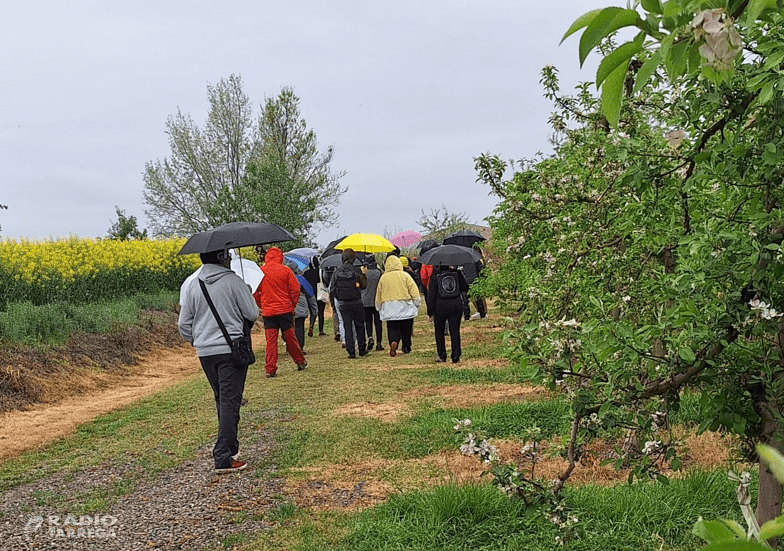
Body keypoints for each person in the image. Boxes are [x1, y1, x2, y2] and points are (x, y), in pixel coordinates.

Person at [178, 248, 259, 473]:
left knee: (222, 398)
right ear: (223, 258)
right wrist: (247, 293)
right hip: (231, 351)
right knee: (230, 401)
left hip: (205, 352)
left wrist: (200, 340)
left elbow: (183, 325)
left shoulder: (194, 285)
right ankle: (223, 455)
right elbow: (252, 313)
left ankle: (231, 446)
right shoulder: (233, 281)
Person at [253, 247, 307, 377]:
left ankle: (270, 369)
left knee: (271, 342)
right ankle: (300, 361)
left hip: (268, 313)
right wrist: (291, 305)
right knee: (290, 339)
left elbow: (255, 293)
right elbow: (295, 290)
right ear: (280, 257)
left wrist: (263, 305)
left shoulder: (261, 272)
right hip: (285, 310)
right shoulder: (286, 271)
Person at [375, 255, 421, 357]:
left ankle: (393, 341)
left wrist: (378, 306)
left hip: (389, 307)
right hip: (405, 306)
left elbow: (379, 294)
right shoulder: (405, 275)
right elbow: (413, 290)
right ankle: (406, 346)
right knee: (406, 328)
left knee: (392, 327)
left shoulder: (383, 278)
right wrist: (417, 302)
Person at [329, 248, 370, 358]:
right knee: (360, 325)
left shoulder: (337, 271)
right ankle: (362, 348)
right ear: (354, 258)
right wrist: (364, 275)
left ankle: (351, 351)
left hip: (343, 303)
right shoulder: (356, 270)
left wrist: (339, 297)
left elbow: (332, 289)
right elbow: (363, 286)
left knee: (347, 326)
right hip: (356, 301)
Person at [426, 264, 469, 363]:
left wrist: (430, 312)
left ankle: (441, 355)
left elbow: (431, 296)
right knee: (454, 331)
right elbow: (465, 287)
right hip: (456, 304)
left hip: (440, 306)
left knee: (439, 331)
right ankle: (456, 356)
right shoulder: (457, 274)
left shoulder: (435, 276)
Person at [361, 257, 383, 351]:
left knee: (368, 321)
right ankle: (379, 343)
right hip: (377, 300)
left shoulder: (364, 273)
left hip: (365, 301)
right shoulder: (379, 272)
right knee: (378, 322)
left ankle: (370, 337)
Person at [303, 256, 327, 336]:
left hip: (310, 295)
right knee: (321, 312)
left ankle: (311, 325)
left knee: (313, 312)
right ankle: (320, 330)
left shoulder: (306, 274)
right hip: (320, 293)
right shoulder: (320, 272)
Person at [294, 273, 318, 352]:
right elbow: (310, 293)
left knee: (288, 328)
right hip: (300, 308)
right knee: (299, 327)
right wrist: (314, 311)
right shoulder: (300, 279)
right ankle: (300, 347)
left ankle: (290, 346)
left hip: (286, 308)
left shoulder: (281, 279)